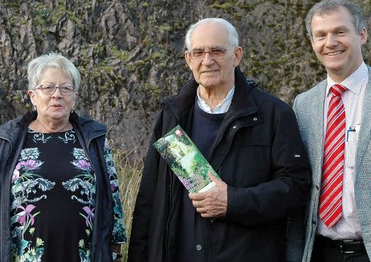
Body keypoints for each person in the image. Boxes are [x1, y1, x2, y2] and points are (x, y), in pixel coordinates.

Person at [128, 18, 311, 262]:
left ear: (236, 56)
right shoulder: (173, 117)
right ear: (188, 59)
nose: (207, 60)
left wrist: (233, 202)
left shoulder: (273, 115)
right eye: (198, 52)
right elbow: (149, 203)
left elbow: (295, 189)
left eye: (217, 51)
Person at [0, 52, 127, 262]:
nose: (57, 94)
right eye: (48, 87)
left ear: (75, 97)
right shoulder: (8, 141)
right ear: (32, 96)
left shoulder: (95, 141)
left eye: (65, 88)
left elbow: (113, 202)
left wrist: (116, 254)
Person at [292, 0, 371, 262]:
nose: (330, 42)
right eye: (321, 35)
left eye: (340, 32)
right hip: (319, 252)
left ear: (362, 34)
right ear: (313, 43)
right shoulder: (303, 105)